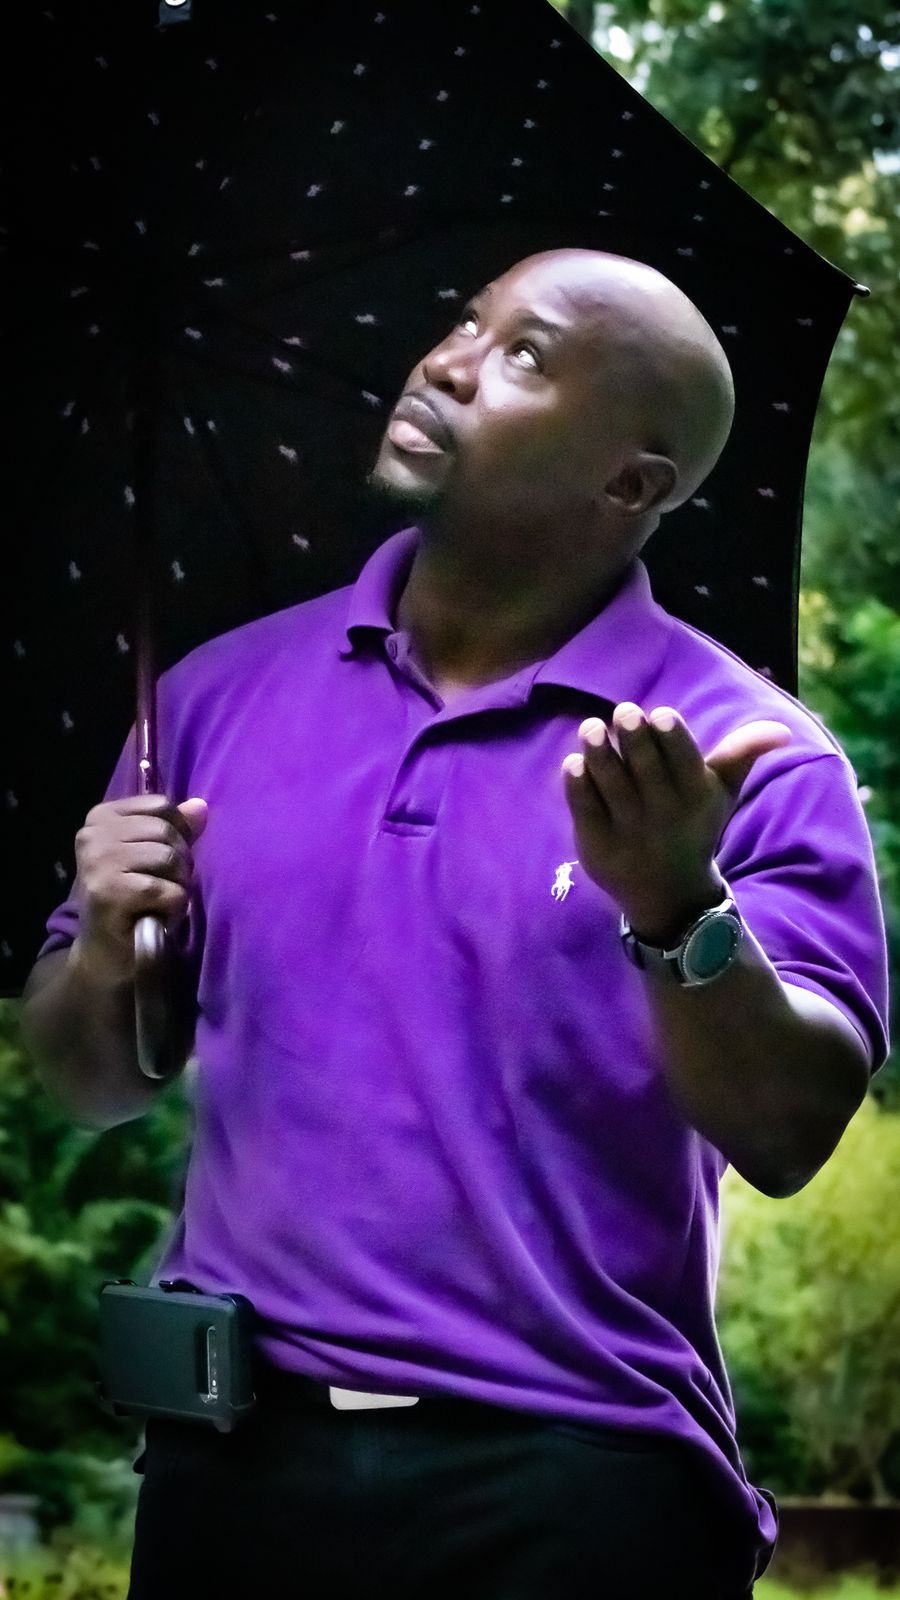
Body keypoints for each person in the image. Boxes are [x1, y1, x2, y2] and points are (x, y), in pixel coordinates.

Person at [22, 249, 889, 1599]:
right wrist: (101, 949)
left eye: (526, 355)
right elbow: (93, 1085)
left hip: (577, 1482)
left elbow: (787, 1132)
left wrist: (679, 906)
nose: (450, 362)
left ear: (631, 485)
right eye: (465, 323)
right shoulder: (208, 697)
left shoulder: (745, 758)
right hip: (233, 1474)